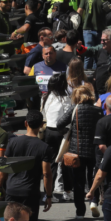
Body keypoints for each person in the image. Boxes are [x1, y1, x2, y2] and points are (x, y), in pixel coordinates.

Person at [0, 111, 53, 221]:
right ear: (41, 125)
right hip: (30, 193)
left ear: (25, 123)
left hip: (12, 190)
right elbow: (46, 173)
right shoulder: (44, 147)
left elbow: (4, 167)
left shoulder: (13, 142)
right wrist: (48, 195)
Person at [56, 87, 102, 218]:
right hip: (94, 149)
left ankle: (80, 211)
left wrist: (67, 132)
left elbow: (59, 124)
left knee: (78, 182)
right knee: (93, 177)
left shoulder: (74, 109)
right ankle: (93, 201)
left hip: (76, 151)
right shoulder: (98, 110)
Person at [42, 73, 74, 202]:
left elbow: (44, 114)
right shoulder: (66, 98)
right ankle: (67, 191)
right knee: (65, 162)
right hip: (62, 132)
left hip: (48, 132)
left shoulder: (46, 96)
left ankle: (47, 193)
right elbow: (67, 117)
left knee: (51, 163)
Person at [79, 0, 111, 69]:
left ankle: (96, 74)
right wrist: (76, 19)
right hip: (88, 29)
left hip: (102, 30)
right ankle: (85, 73)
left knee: (99, 54)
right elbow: (80, 9)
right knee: (87, 54)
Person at [81, 28, 111, 95]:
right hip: (98, 91)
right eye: (101, 40)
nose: (102, 42)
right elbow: (99, 67)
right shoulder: (101, 52)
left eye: (104, 40)